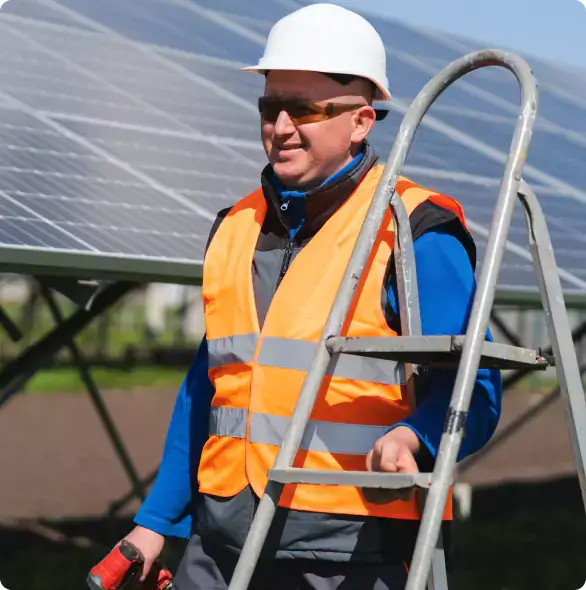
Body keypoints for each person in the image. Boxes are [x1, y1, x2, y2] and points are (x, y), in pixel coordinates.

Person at [117, 4, 502, 589]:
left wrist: (416, 437)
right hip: (218, 547)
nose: (280, 127)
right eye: (269, 107)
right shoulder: (234, 226)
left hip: (351, 554)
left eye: (304, 110)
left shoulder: (415, 231)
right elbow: (208, 386)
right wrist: (154, 523)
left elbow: (475, 386)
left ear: (362, 121)